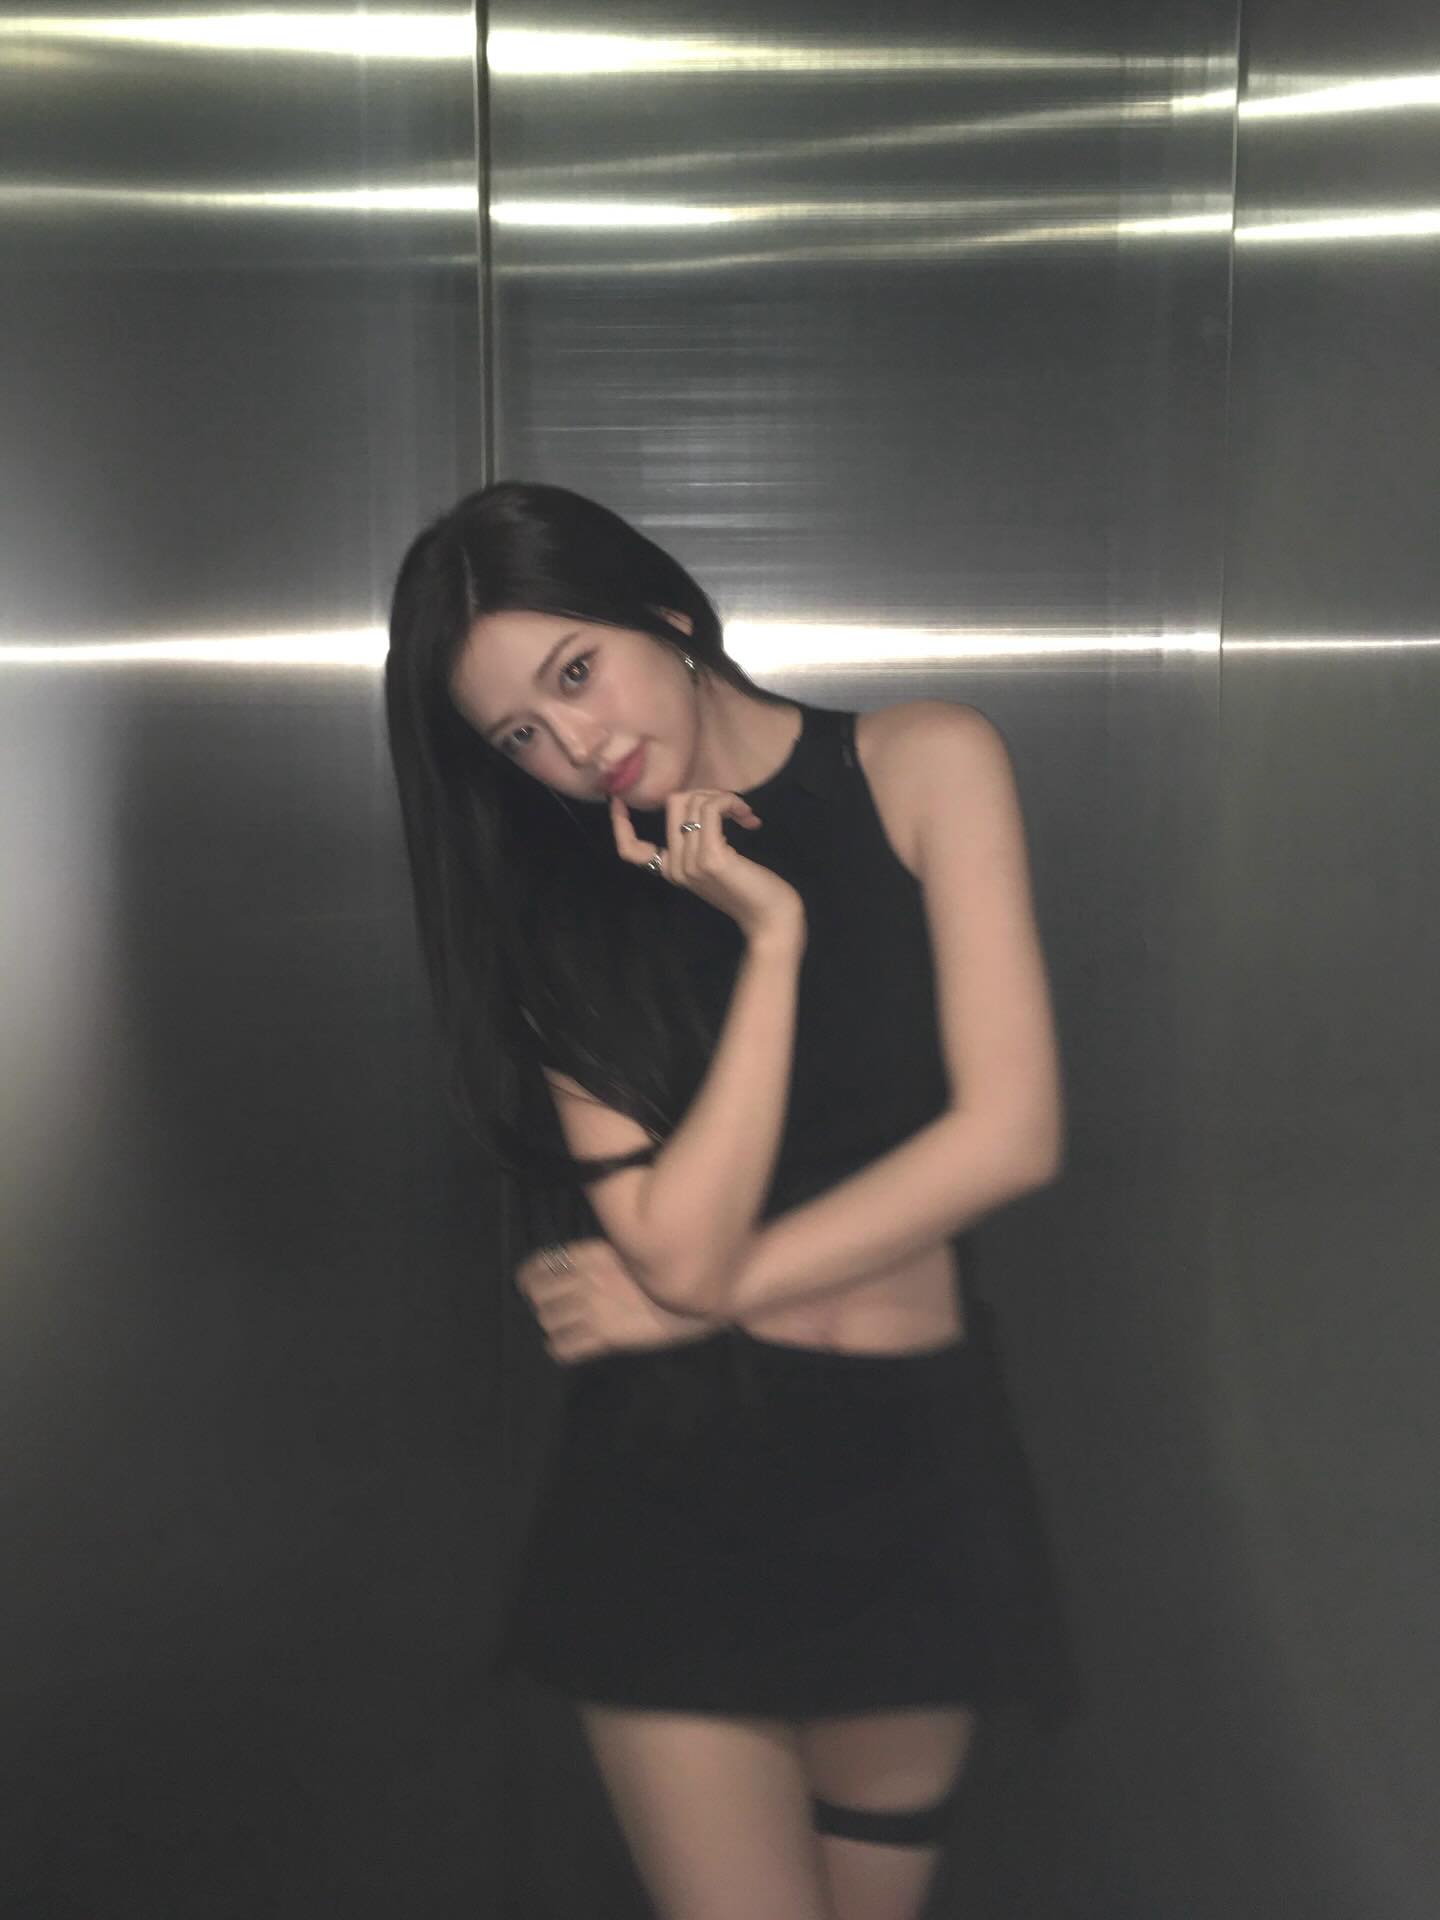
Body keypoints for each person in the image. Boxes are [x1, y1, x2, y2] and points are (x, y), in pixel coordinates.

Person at [384, 479, 1079, 1920]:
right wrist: (769, 942)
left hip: (912, 1468)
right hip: (676, 1493)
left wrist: (688, 1301)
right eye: (519, 735)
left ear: (667, 613)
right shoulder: (562, 912)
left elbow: (1010, 1137)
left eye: (576, 672)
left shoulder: (925, 763)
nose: (575, 746)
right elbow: (679, 1256)